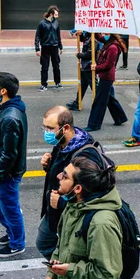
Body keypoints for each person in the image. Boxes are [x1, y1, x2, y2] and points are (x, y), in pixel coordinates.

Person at [44, 156, 124, 279]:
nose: (58, 176)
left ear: (78, 188)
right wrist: (53, 271)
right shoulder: (73, 206)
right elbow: (63, 243)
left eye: (65, 176)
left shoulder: (101, 224)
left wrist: (69, 270)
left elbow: (106, 272)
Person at [36, 106, 95, 260]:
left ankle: (65, 273)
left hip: (69, 215)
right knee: (45, 243)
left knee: (59, 249)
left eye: (50, 128)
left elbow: (89, 196)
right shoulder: (62, 144)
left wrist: (61, 203)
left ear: (66, 128)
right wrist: (48, 167)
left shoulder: (83, 157)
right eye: (44, 127)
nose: (46, 132)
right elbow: (59, 176)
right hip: (54, 212)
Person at [0, 72, 27, 258]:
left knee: (10, 207)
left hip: (6, 172)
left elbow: (10, 153)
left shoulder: (10, 118)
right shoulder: (7, 107)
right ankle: (11, 231)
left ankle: (17, 242)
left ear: (3, 91)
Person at [85, 34, 128, 132]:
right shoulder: (109, 42)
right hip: (104, 76)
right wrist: (93, 29)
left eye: (106, 33)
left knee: (100, 101)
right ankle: (120, 118)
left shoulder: (113, 47)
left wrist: (96, 68)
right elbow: (99, 37)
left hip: (107, 77)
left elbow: (108, 65)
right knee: (109, 98)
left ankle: (94, 124)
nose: (103, 35)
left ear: (111, 35)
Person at [35, 5, 63, 92]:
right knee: (44, 67)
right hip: (45, 48)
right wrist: (37, 49)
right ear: (51, 14)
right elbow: (37, 36)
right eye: (56, 14)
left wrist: (60, 47)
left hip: (54, 47)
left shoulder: (56, 23)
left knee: (56, 66)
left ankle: (57, 82)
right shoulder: (42, 24)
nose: (57, 16)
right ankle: (43, 84)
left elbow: (58, 36)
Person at [66, 30, 96, 111]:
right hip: (85, 66)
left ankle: (102, 102)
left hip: (89, 66)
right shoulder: (88, 35)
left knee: (95, 86)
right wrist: (81, 35)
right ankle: (77, 102)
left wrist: (79, 55)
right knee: (82, 85)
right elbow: (84, 40)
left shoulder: (94, 38)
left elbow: (90, 54)